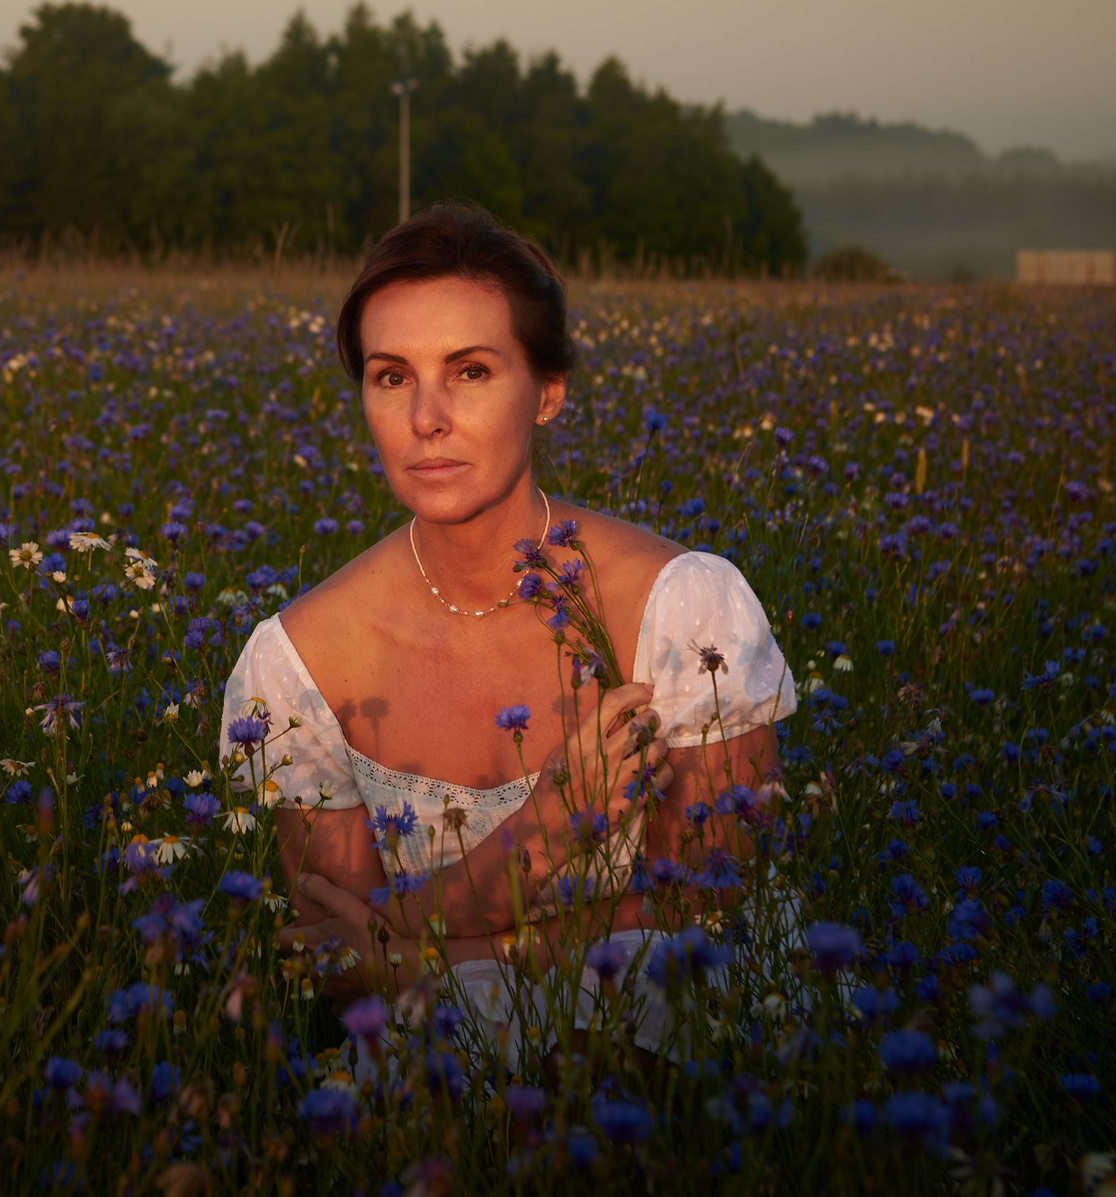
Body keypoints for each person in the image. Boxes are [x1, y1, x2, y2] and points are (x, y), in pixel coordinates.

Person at [214, 203, 797, 1063]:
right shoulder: (298, 662)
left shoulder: (683, 607)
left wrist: (415, 958)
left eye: (472, 371)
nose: (427, 417)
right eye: (390, 375)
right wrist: (546, 829)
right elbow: (341, 971)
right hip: (437, 1071)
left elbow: (707, 912)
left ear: (548, 390)